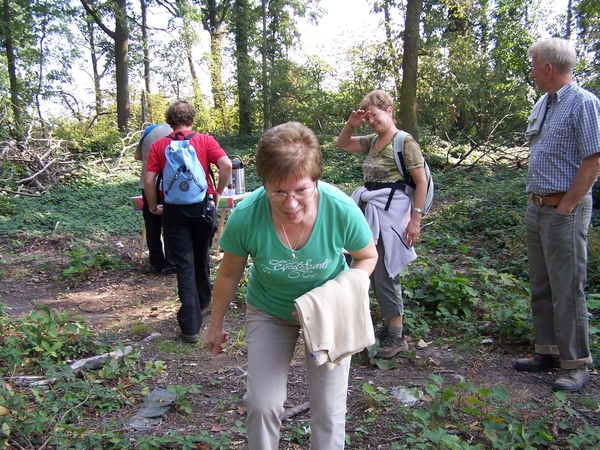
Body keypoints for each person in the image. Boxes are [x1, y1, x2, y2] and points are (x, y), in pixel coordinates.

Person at [204, 121, 378, 449]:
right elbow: (228, 274)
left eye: (301, 190)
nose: (291, 204)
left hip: (328, 312)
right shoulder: (247, 216)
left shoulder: (340, 209)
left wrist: (335, 294)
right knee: (262, 404)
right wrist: (215, 324)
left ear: (316, 181)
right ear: (265, 184)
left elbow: (367, 257)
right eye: (278, 192)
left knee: (328, 410)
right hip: (270, 310)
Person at [513, 38, 600, 392]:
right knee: (541, 284)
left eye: (534, 66)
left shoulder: (583, 104)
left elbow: (594, 160)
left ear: (549, 68)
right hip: (537, 208)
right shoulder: (544, 104)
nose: (531, 72)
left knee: (568, 288)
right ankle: (547, 352)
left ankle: (576, 362)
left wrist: (566, 206)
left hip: (565, 209)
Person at [335, 90, 428, 358]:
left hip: (391, 213)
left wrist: (415, 220)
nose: (371, 121)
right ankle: (386, 327)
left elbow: (420, 181)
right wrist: (351, 124)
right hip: (371, 210)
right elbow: (342, 144)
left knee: (385, 269)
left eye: (374, 114)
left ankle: (396, 334)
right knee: (369, 267)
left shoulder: (403, 142)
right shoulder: (372, 141)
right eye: (367, 118)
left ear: (389, 110)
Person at [145, 100, 232, 343]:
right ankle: (204, 302)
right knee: (201, 255)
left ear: (169, 121)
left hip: (174, 212)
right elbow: (225, 165)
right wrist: (217, 194)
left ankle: (190, 326)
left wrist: (153, 207)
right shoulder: (205, 140)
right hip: (202, 208)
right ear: (192, 119)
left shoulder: (159, 145)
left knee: (184, 264)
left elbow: (150, 181)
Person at [134, 123, 176, 275]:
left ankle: (156, 264)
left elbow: (137, 156)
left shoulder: (147, 132)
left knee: (152, 226)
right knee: (171, 225)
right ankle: (171, 265)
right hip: (170, 185)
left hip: (148, 184)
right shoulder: (176, 133)